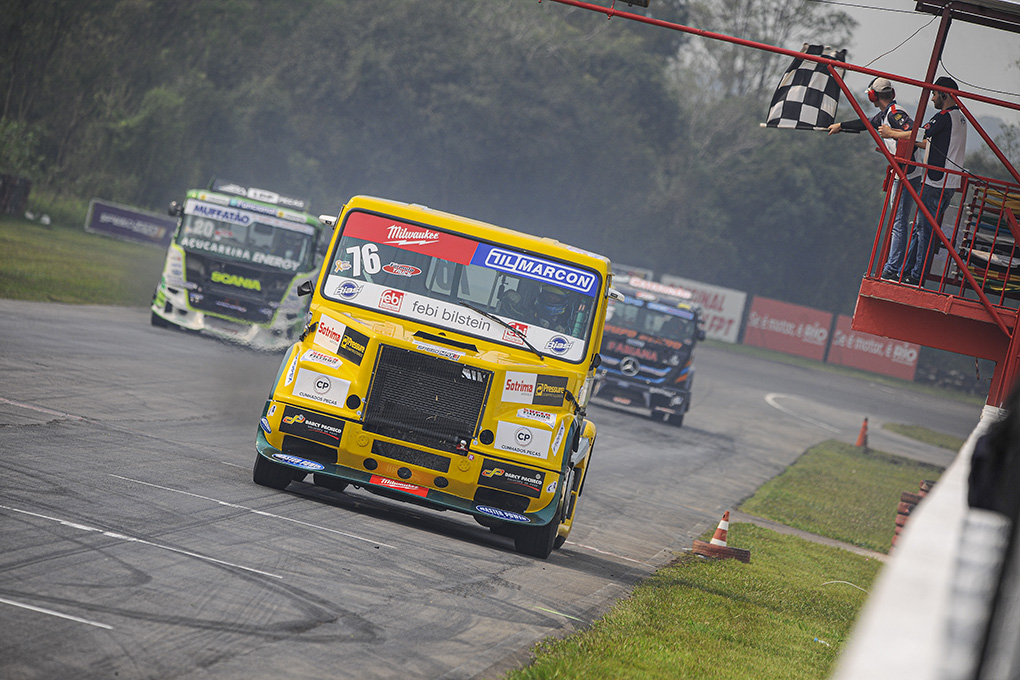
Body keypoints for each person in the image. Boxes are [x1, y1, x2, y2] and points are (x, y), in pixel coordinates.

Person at [828, 77, 922, 280]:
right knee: (899, 221)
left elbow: (915, 134)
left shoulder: (895, 114)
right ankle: (893, 265)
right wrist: (841, 126)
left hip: (906, 173)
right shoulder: (885, 115)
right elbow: (865, 124)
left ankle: (892, 267)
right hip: (905, 172)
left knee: (899, 222)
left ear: (873, 96)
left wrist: (891, 133)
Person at [880, 76, 967, 285]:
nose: (933, 98)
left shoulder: (944, 116)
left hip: (936, 182)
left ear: (944, 94)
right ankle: (907, 271)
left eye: (935, 94)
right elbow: (930, 142)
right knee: (922, 230)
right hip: (949, 183)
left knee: (924, 232)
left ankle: (916, 276)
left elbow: (921, 134)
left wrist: (892, 133)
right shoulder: (960, 119)